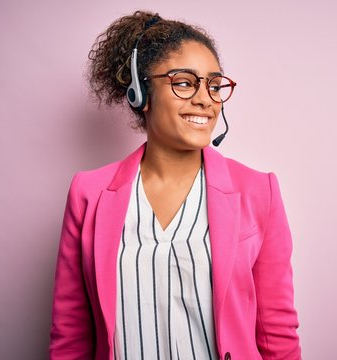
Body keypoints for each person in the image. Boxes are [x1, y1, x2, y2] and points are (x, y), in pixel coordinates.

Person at [49, 10, 301, 360]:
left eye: (214, 85)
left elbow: (276, 331)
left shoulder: (260, 193)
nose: (205, 99)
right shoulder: (88, 194)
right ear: (141, 92)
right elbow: (71, 333)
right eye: (184, 82)